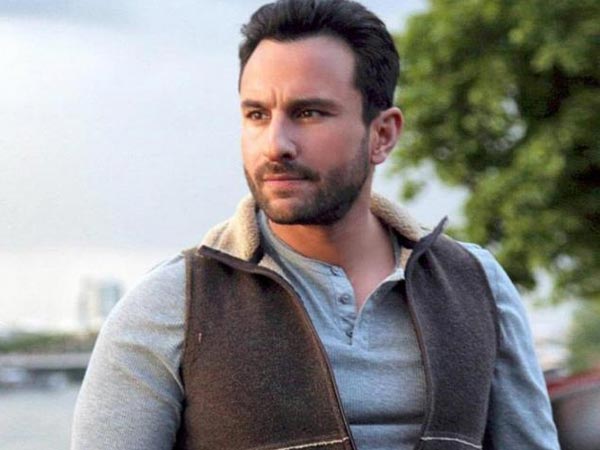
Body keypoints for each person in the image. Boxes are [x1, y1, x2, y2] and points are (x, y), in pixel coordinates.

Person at [71, 1, 561, 449]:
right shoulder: (171, 305)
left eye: (308, 113)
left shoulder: (477, 285)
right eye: (257, 114)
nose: (275, 144)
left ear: (383, 134)